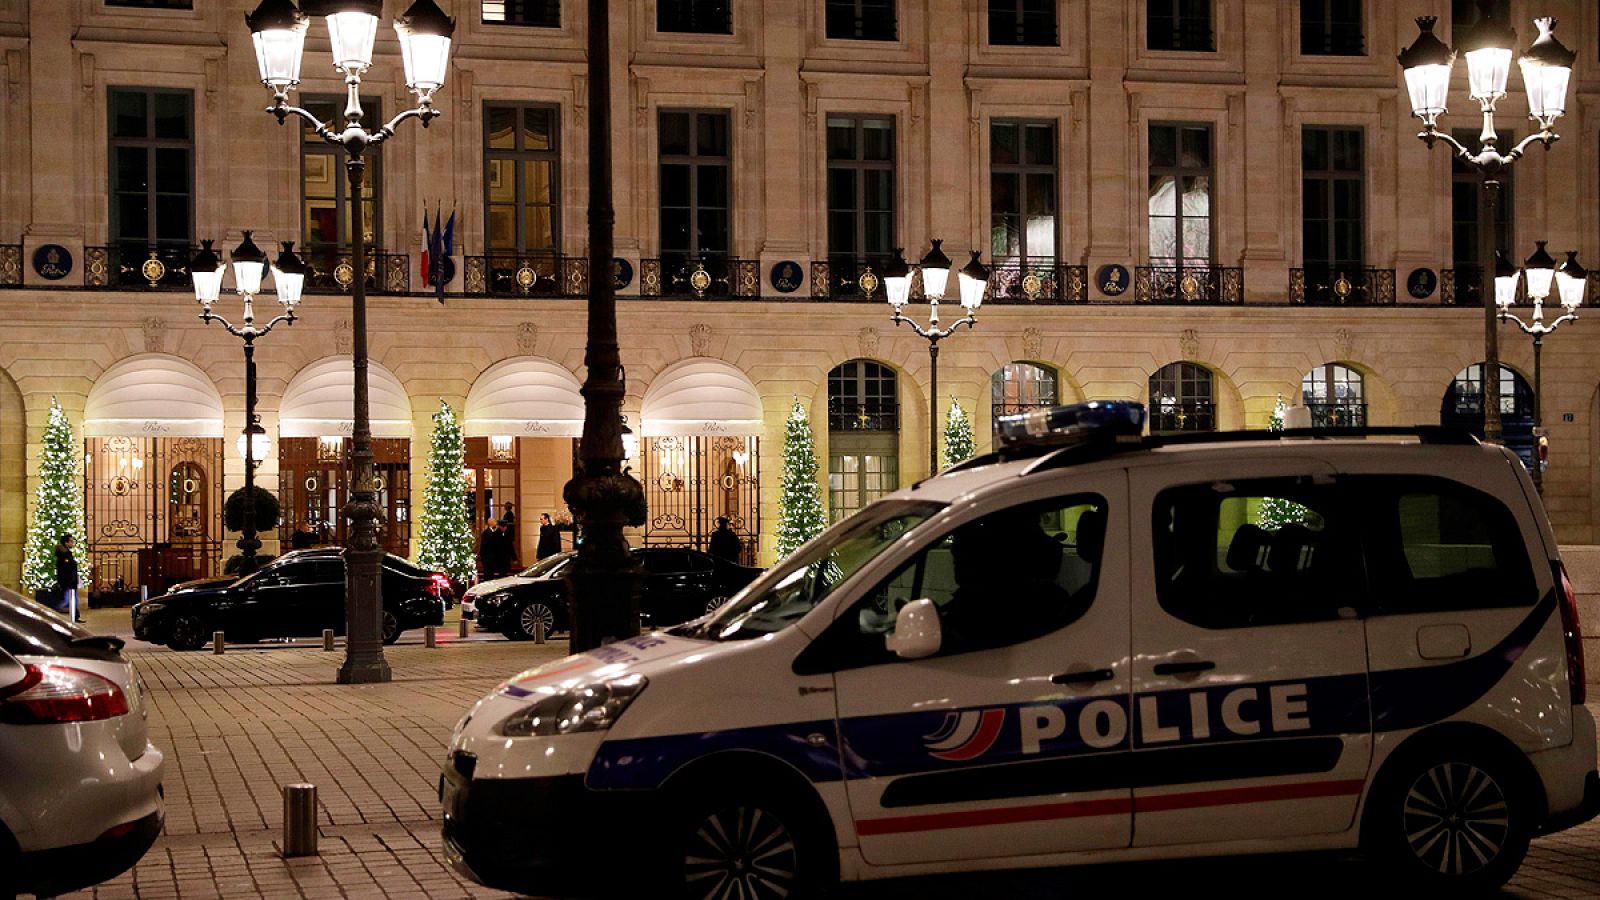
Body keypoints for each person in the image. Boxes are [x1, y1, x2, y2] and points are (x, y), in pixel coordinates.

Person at [54, 534, 82, 622]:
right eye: (71, 541)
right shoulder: (64, 555)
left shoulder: (67, 553)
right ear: (66, 543)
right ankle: (52, 612)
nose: (72, 543)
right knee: (66, 600)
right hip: (68, 581)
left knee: (74, 600)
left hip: (72, 581)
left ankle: (76, 616)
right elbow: (66, 569)